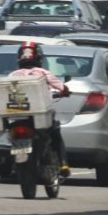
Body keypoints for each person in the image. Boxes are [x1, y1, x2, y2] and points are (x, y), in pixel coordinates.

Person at [8, 42, 71, 178]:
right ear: (39, 58)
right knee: (55, 133)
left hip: (19, 114)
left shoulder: (13, 74)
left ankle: (14, 165)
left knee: (11, 136)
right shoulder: (43, 73)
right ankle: (63, 164)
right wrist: (65, 91)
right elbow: (62, 88)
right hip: (40, 115)